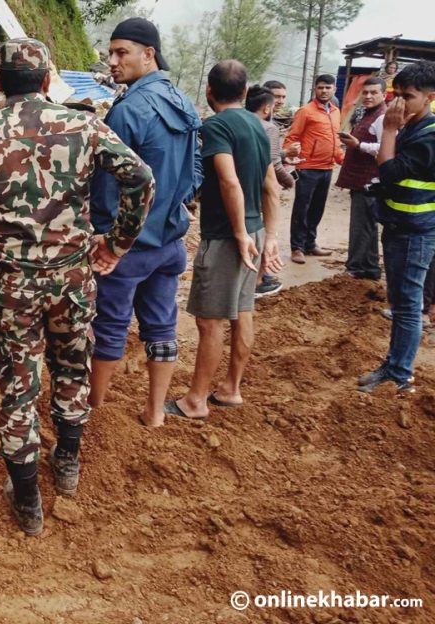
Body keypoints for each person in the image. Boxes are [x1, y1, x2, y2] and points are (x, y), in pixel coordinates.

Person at [0, 38, 155, 534]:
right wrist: (116, 244)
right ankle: (66, 465)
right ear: (48, 79)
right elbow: (140, 178)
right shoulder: (85, 125)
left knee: (17, 388)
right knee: (72, 368)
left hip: (13, 287)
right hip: (73, 279)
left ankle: (28, 501)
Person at [87, 17, 200, 428]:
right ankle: (155, 412)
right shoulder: (183, 102)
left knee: (110, 326)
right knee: (162, 326)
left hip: (129, 246)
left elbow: (105, 185)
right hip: (169, 243)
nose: (113, 61)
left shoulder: (128, 110)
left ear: (148, 54)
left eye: (122, 53)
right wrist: (179, 199)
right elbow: (195, 165)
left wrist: (106, 236)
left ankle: (93, 409)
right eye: (111, 53)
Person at [165, 60, 283, 421]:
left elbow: (229, 181)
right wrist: (270, 238)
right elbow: (271, 187)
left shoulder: (215, 126)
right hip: (255, 232)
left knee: (210, 321)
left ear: (209, 92)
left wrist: (237, 233)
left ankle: (196, 400)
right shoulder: (258, 125)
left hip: (229, 237)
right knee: (243, 310)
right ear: (247, 93)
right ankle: (231, 387)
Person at [358, 61, 435, 394]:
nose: (399, 103)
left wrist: (388, 130)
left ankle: (400, 374)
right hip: (400, 225)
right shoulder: (413, 127)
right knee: (402, 300)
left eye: (409, 96)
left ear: (430, 97)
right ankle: (393, 366)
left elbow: (389, 171)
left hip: (415, 232)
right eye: (397, 95)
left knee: (407, 304)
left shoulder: (428, 136)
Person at [284, 74, 344, 264]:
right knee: (302, 209)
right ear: (315, 89)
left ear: (334, 89)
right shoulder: (306, 111)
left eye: (328, 87)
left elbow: (335, 139)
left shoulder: (335, 111)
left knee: (317, 208)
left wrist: (341, 158)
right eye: (320, 87)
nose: (324, 91)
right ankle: (297, 248)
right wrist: (290, 159)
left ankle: (310, 243)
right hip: (308, 167)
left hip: (327, 167)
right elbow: (292, 137)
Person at [246, 84, 295, 298]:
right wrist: (290, 180)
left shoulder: (236, 123)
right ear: (267, 107)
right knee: (262, 234)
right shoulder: (268, 128)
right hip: (259, 190)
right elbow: (273, 164)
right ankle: (256, 282)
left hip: (239, 188)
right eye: (277, 99)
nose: (280, 102)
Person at [336, 77, 388, 280]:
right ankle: (369, 267)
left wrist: (358, 145)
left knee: (362, 226)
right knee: (365, 226)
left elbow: (386, 148)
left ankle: (358, 267)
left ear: (383, 95)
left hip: (370, 181)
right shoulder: (367, 114)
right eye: (365, 93)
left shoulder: (382, 117)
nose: (368, 96)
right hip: (362, 180)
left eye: (373, 93)